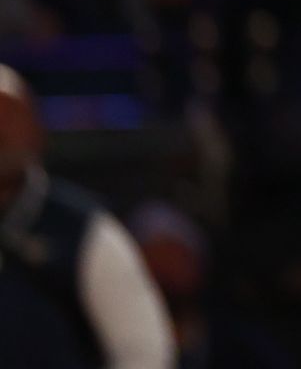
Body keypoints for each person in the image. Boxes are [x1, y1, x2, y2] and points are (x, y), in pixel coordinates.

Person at [0, 64, 174, 369]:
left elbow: (143, 351)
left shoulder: (82, 227)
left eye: (9, 115)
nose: (0, 130)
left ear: (35, 128)